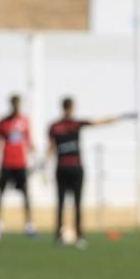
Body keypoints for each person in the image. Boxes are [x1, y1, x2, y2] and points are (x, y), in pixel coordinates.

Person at [47, 97, 132, 248]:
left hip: (76, 168)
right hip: (62, 168)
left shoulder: (75, 124)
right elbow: (51, 146)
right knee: (61, 203)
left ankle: (79, 235)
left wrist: (118, 118)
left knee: (77, 203)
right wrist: (45, 163)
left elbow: (97, 122)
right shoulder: (55, 126)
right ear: (69, 108)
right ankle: (60, 235)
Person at [0, 94, 36, 235]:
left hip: (20, 163)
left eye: (18, 104)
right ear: (11, 104)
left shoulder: (24, 121)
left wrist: (34, 159)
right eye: (14, 104)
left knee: (25, 194)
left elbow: (29, 142)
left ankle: (28, 224)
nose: (16, 107)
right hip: (6, 162)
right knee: (0, 193)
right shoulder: (3, 122)